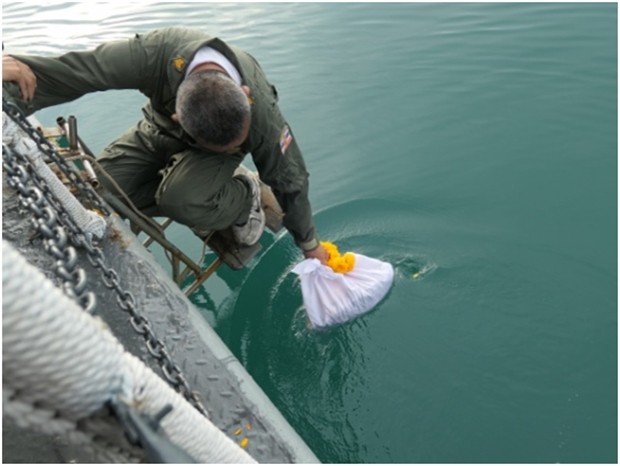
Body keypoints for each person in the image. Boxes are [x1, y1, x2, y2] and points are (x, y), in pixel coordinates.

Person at [3, 27, 328, 264]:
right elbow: (77, 73)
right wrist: (8, 98)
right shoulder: (153, 54)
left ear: (244, 93)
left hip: (216, 152)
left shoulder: (263, 118)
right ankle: (197, 192)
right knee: (102, 193)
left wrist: (309, 242)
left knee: (181, 201)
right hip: (157, 129)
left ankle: (243, 194)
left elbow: (291, 178)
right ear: (179, 117)